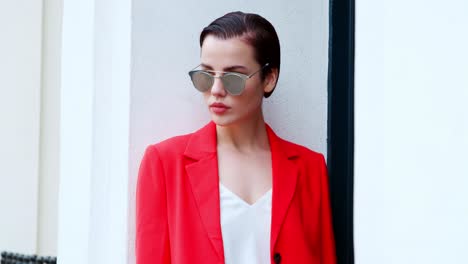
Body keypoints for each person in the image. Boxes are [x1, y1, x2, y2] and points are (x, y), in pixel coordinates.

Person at [136, 11, 336, 264]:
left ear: (269, 78)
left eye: (234, 78)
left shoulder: (309, 168)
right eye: (206, 75)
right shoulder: (165, 164)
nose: (216, 90)